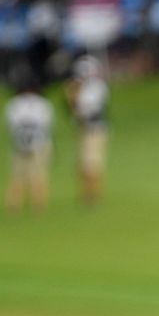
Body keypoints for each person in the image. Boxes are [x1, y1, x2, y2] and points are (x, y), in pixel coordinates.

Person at [4, 78, 55, 213]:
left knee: (18, 176)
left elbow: (12, 126)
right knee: (38, 175)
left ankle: (14, 207)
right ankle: (38, 207)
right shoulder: (43, 104)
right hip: (39, 144)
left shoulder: (14, 105)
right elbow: (47, 126)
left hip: (20, 145)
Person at [66, 54, 110, 206]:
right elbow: (73, 112)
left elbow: (84, 111)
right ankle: (86, 194)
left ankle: (93, 197)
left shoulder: (96, 88)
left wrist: (73, 96)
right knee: (82, 165)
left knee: (92, 164)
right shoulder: (83, 88)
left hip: (94, 131)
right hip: (83, 130)